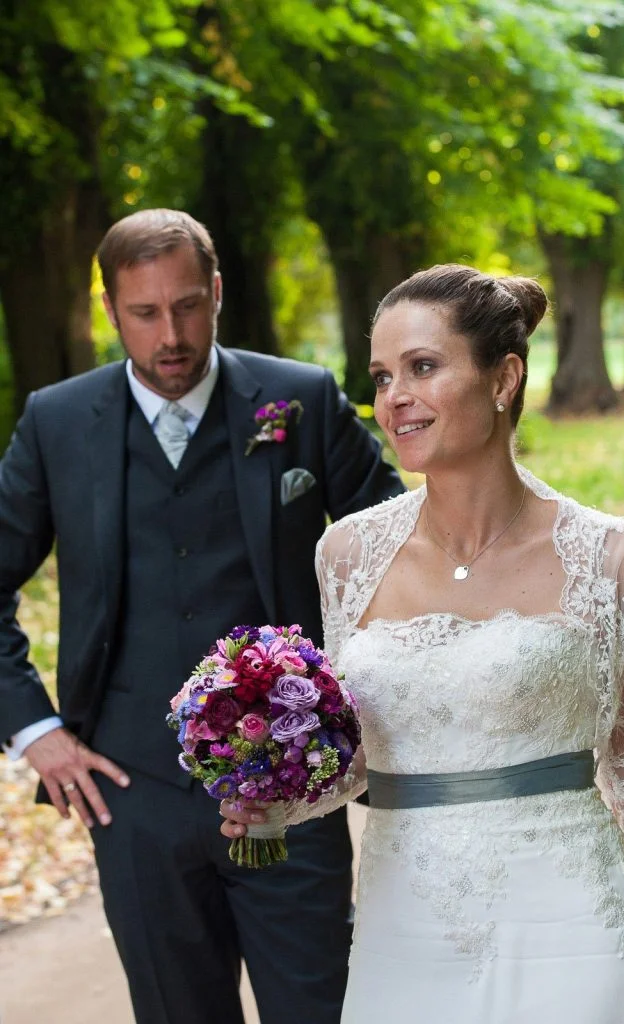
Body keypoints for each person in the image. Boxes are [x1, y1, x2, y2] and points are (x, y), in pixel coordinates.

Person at [221, 263, 624, 1022]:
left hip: (576, 931)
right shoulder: (347, 556)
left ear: (504, 378)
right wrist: (275, 799)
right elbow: (364, 752)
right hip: (406, 933)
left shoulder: (615, 560)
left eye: (423, 367)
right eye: (381, 374)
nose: (394, 396)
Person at [0, 208, 403, 1024]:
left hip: (295, 792)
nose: (171, 334)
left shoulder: (301, 399)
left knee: (320, 1007)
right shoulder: (56, 421)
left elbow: (401, 552)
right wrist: (35, 732)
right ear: (110, 310)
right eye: (145, 313)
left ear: (217, 292)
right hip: (132, 795)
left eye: (188, 305)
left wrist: (345, 716)